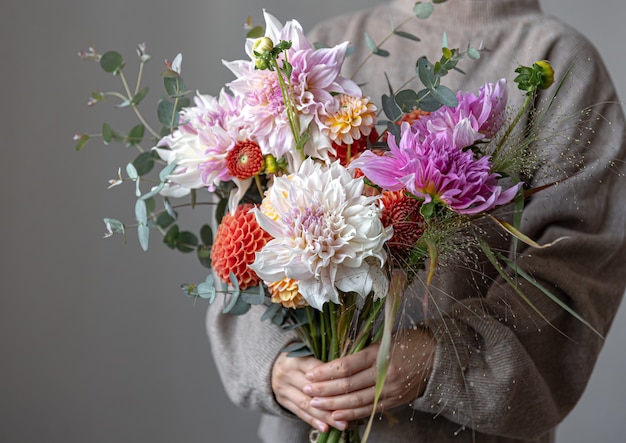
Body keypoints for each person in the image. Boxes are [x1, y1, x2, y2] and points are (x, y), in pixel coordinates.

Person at [206, 0, 626, 441]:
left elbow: (575, 267)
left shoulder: (556, 57)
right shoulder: (321, 51)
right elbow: (245, 234)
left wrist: (441, 358)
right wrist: (275, 360)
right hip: (304, 427)